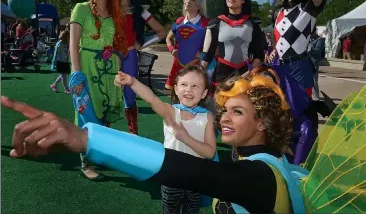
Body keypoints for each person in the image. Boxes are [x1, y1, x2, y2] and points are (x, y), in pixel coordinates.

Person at [1, 75, 295, 213]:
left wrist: (88, 139)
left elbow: (190, 171)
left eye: (238, 111)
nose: (224, 117)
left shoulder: (262, 177)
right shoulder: (271, 166)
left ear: (262, 123)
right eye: (225, 109)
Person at [114, 65, 216, 214]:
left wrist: (186, 138)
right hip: (171, 176)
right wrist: (132, 82)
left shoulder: (207, 117)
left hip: (195, 177)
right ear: (175, 88)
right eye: (184, 84)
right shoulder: (171, 112)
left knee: (191, 211)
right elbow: (151, 98)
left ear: (204, 93)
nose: (189, 89)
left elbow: (210, 152)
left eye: (195, 86)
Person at [69, 0, 126, 180]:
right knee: (86, 112)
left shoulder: (114, 13)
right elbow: (73, 43)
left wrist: (117, 64)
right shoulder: (80, 9)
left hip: (108, 68)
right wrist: (76, 74)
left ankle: (98, 154)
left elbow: (116, 42)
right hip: (86, 65)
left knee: (102, 113)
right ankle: (85, 162)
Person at [268, 0, 332, 98]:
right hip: (278, 67)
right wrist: (274, 51)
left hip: (299, 67)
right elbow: (280, 38)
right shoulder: (278, 12)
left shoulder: (309, 7)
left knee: (300, 110)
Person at [115, 0, 165, 135]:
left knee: (129, 97)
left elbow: (161, 33)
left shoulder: (140, 11)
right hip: (108, 57)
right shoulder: (105, 8)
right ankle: (103, 136)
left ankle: (133, 135)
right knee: (106, 95)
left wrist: (142, 44)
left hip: (129, 57)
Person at [201, 0, 266, 93]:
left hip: (246, 74)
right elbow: (208, 54)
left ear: (243, 0)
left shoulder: (254, 23)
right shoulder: (215, 23)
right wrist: (198, 70)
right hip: (221, 76)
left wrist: (248, 74)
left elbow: (259, 54)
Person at [165, 0, 209, 90]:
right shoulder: (179, 21)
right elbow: (168, 38)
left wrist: (203, 54)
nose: (188, 1)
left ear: (199, 5)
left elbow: (214, 45)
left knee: (194, 94)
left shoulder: (206, 23)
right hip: (178, 64)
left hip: (197, 66)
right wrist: (172, 49)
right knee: (176, 96)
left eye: (193, 0)